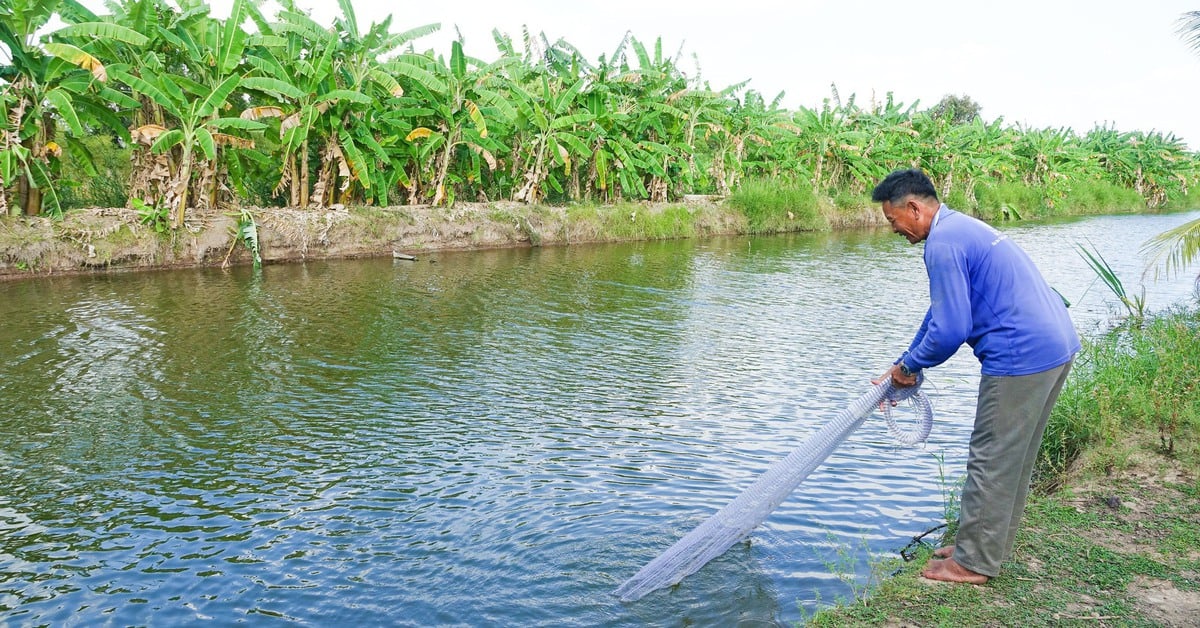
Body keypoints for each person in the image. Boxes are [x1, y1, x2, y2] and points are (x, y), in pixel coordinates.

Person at [871, 168, 1080, 584]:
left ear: (913, 208)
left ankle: (972, 563)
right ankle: (980, 544)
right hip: (1055, 347)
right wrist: (903, 362)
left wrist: (910, 367)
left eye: (894, 221)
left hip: (1020, 357)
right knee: (1013, 460)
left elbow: (950, 330)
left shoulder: (943, 244)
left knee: (991, 458)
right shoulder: (961, 228)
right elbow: (939, 315)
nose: (895, 230)